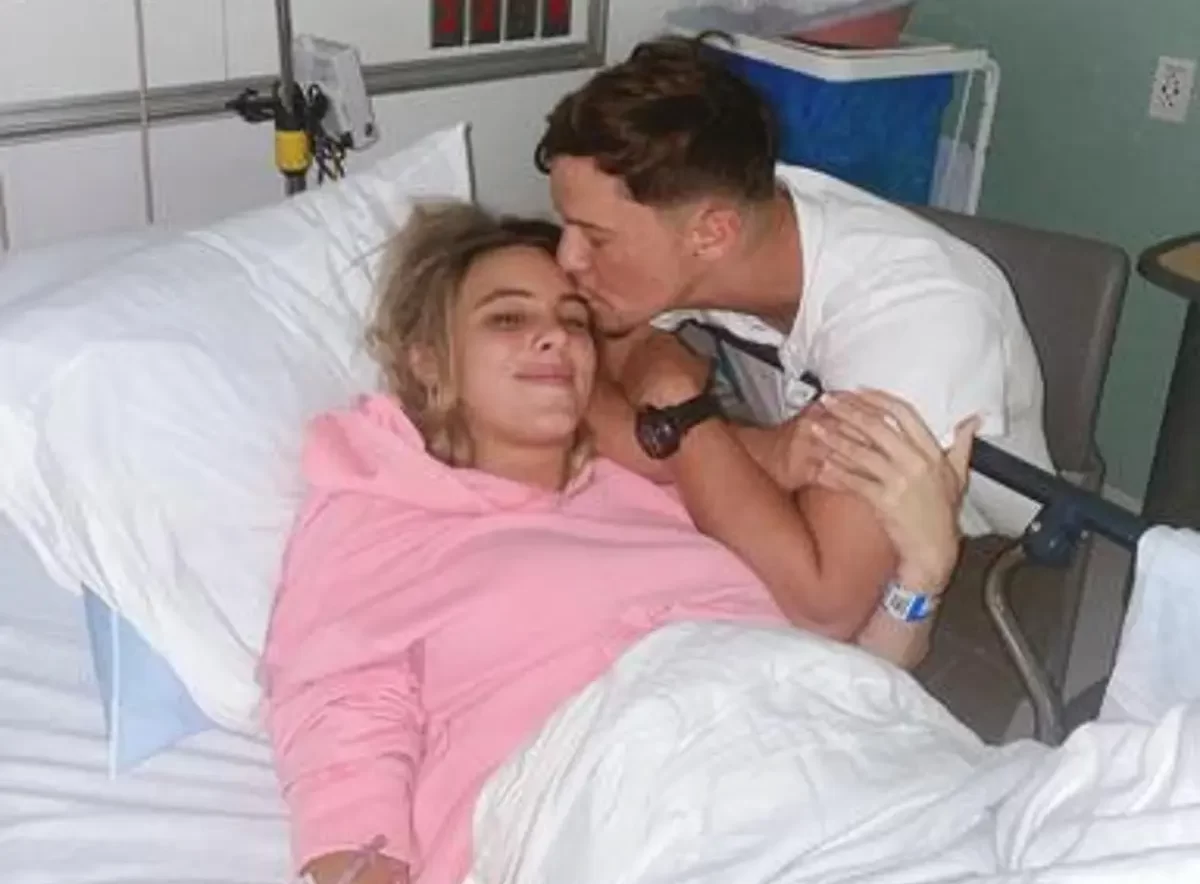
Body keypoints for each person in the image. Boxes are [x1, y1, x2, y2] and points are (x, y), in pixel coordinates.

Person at [260, 203, 978, 884]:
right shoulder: (384, 506)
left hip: (820, 764)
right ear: (426, 361)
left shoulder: (668, 488)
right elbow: (342, 718)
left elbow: (839, 681)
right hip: (608, 793)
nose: (555, 337)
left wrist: (924, 573)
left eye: (573, 321)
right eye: (508, 317)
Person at [534, 32, 1056, 645]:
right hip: (793, 492)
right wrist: (753, 450)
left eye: (595, 238)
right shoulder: (722, 217)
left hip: (958, 551)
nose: (567, 259)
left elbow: (823, 604)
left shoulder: (915, 322)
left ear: (712, 235)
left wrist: (677, 405)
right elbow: (569, 380)